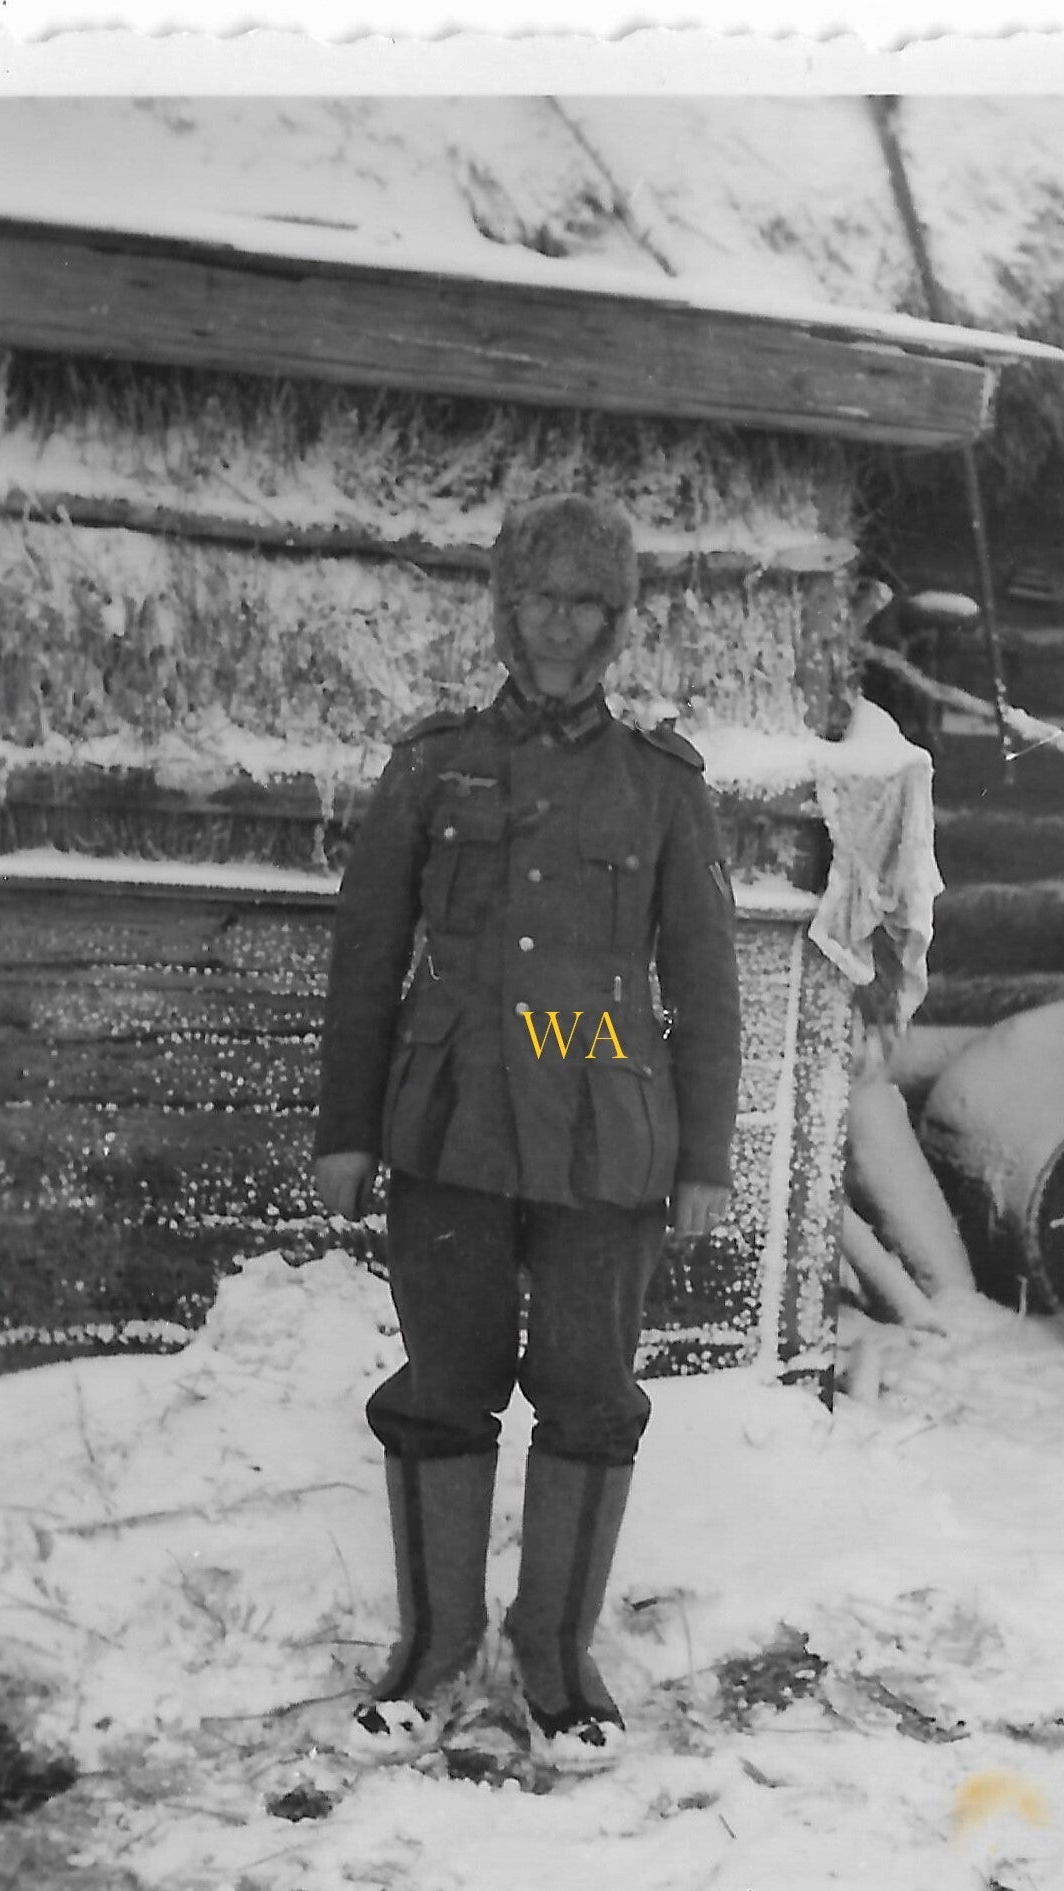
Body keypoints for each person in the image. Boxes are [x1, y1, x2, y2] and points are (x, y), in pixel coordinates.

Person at [314, 494, 742, 1770]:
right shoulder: (431, 765)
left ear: (616, 624)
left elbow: (705, 983)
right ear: (505, 611)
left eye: (587, 605)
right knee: (443, 1387)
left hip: (606, 1136)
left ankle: (554, 1655)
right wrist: (346, 1131)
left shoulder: (659, 785)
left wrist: (705, 1157)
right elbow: (367, 956)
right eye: (541, 600)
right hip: (449, 1125)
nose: (562, 627)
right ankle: (436, 1648)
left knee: (589, 1393)